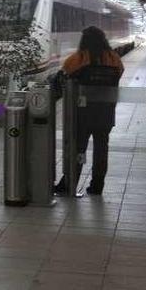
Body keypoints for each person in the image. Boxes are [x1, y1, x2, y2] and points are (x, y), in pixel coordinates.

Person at [54, 26, 124, 196]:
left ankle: (70, 183)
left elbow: (65, 75)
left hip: (83, 113)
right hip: (106, 112)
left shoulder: (78, 59)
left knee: (79, 150)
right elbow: (119, 74)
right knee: (101, 150)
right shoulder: (114, 58)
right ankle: (97, 186)